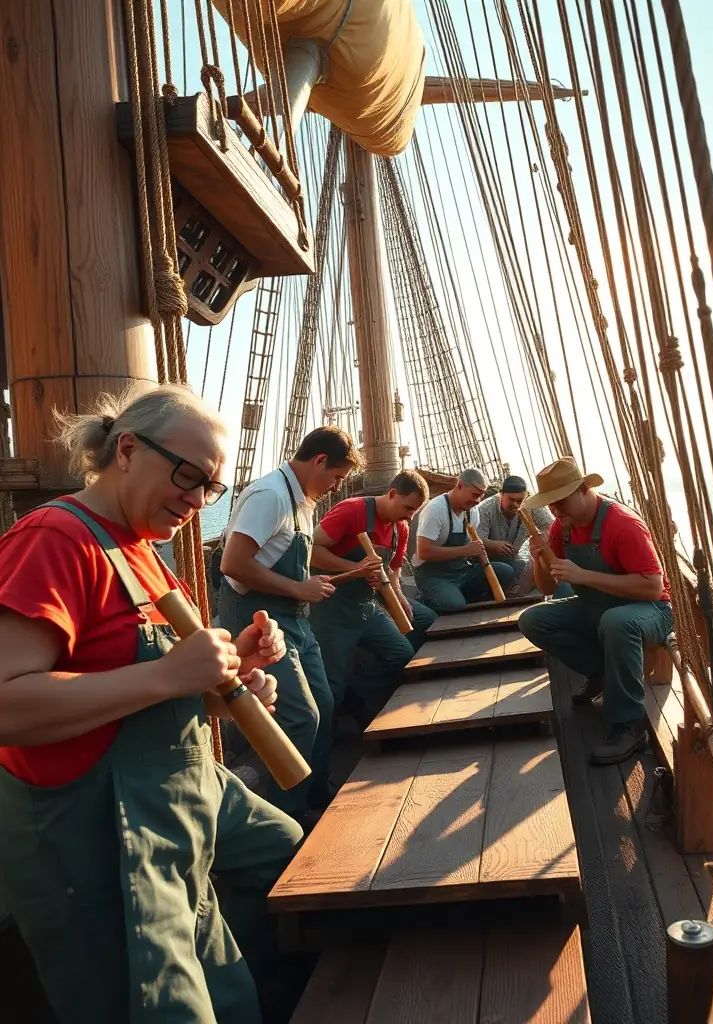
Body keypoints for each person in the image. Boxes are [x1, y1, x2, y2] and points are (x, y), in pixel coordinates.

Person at [0, 383, 302, 1023]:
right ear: (129, 450)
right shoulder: (54, 540)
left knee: (285, 849)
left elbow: (155, 686)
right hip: (98, 838)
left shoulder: (143, 554)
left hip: (173, 813)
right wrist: (168, 677)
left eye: (210, 489)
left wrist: (230, 681)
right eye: (188, 476)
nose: (196, 501)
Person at [218, 426, 364, 821]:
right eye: (336, 477)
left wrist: (306, 588)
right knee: (301, 717)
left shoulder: (303, 500)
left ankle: (317, 793)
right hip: (260, 622)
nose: (336, 487)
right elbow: (232, 565)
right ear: (319, 461)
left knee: (327, 703)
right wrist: (300, 589)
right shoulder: (271, 496)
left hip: (295, 620)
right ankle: (289, 814)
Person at [517, 457, 674, 765]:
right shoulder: (562, 529)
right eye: (550, 505)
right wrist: (540, 560)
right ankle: (600, 671)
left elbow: (653, 586)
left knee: (616, 621)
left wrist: (583, 576)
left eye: (561, 502)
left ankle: (629, 725)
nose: (556, 511)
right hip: (597, 608)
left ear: (585, 489)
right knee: (533, 620)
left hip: (650, 610)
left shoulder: (622, 524)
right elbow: (548, 587)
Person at [309, 470, 437, 717]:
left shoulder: (401, 529)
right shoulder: (352, 510)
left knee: (401, 653)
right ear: (391, 494)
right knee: (332, 682)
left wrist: (398, 598)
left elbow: (392, 569)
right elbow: (311, 550)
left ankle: (358, 696)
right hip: (332, 607)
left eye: (415, 511)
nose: (410, 516)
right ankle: (326, 739)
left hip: (366, 605)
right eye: (408, 508)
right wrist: (354, 568)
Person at [412, 467, 517, 613]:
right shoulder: (436, 510)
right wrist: (464, 550)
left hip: (461, 571)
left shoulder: (472, 512)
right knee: (454, 605)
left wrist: (481, 552)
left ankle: (459, 595)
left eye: (480, 496)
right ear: (460, 486)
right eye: (474, 495)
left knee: (505, 571)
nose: (477, 501)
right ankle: (432, 597)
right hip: (434, 575)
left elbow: (471, 545)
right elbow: (423, 552)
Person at [475, 474, 567, 597]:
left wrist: (540, 547)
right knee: (505, 571)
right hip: (489, 562)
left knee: (536, 562)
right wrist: (493, 545)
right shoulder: (485, 509)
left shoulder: (530, 504)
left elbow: (551, 527)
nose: (516, 505)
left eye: (519, 501)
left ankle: (519, 591)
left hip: (513, 560)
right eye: (511, 500)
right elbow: (475, 540)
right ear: (501, 494)